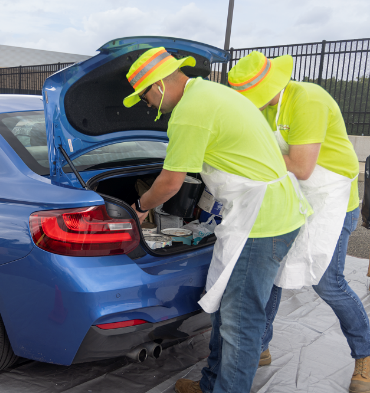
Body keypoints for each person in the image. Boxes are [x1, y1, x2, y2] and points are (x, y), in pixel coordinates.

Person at [122, 47, 309, 393]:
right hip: (260, 212)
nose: (147, 105)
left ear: (159, 84)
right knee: (226, 308)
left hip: (263, 220)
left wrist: (140, 207)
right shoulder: (210, 91)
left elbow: (170, 183)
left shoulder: (189, 112)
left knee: (240, 321)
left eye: (145, 95)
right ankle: (211, 385)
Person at [229, 51, 369, 392]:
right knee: (273, 273)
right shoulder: (265, 110)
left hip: (331, 200)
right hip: (295, 198)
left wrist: (250, 155)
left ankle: (364, 356)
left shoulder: (307, 99)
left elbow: (303, 166)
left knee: (328, 282)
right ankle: (259, 347)